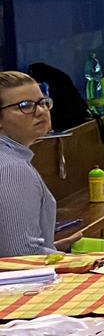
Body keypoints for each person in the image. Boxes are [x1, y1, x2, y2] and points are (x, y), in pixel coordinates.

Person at [0, 72, 57, 256]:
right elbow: (21, 255)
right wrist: (82, 261)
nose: (41, 111)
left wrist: (53, 247)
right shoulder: (11, 168)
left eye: (42, 102)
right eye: (25, 106)